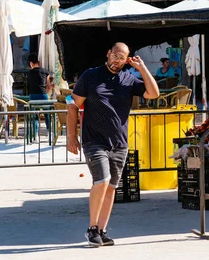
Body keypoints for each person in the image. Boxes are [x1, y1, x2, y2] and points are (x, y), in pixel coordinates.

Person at [67, 42, 159, 247]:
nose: (117, 60)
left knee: (111, 187)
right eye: (115, 55)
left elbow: (153, 94)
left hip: (119, 142)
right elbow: (73, 106)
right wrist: (71, 137)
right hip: (94, 140)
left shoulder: (129, 80)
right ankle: (92, 229)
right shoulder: (90, 76)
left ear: (127, 60)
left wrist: (142, 68)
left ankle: (102, 230)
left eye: (122, 58)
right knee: (102, 180)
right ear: (108, 53)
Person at [27, 53, 52, 135]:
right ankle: (49, 132)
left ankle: (35, 134)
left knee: (35, 115)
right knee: (47, 114)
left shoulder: (29, 73)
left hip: (33, 95)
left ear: (31, 63)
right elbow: (49, 86)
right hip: (43, 94)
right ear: (39, 62)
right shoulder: (45, 72)